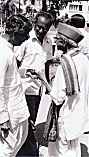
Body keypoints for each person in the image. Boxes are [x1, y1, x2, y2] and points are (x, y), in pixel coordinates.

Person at [36, 23, 89, 157]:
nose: (55, 42)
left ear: (64, 42)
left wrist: (43, 79)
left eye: (58, 39)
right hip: (79, 115)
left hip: (65, 116)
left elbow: (57, 97)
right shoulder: (83, 59)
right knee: (74, 150)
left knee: (62, 152)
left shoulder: (64, 65)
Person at [0, 14, 31, 157]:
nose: (27, 38)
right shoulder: (2, 54)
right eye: (25, 34)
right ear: (15, 33)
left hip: (16, 113)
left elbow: (8, 78)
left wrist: (24, 72)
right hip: (10, 116)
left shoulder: (7, 51)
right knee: (5, 153)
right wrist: (3, 119)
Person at [15, 11, 54, 126]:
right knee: (27, 121)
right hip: (25, 86)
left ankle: (30, 142)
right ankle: (28, 143)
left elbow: (47, 64)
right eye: (39, 27)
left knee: (35, 119)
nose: (41, 31)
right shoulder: (26, 40)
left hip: (39, 88)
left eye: (45, 29)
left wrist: (48, 85)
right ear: (34, 23)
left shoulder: (48, 41)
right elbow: (15, 64)